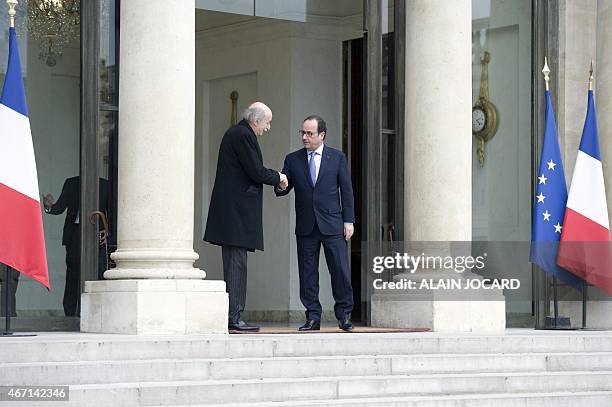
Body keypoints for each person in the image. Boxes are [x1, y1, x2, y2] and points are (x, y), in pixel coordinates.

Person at [204, 102, 288, 332]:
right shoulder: (243, 135)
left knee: (235, 264)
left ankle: (234, 315)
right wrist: (279, 177)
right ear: (256, 120)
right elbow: (255, 170)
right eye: (268, 122)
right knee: (236, 266)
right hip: (235, 214)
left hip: (233, 214)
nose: (268, 127)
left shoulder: (238, 133)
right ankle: (234, 317)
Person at [276, 115, 355, 331]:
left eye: (309, 133)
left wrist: (349, 221)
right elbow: (283, 188)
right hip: (306, 226)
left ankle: (344, 315)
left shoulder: (337, 158)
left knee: (340, 270)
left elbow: (346, 192)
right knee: (307, 273)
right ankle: (313, 317)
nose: (304, 137)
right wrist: (280, 184)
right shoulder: (293, 159)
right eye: (302, 132)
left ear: (322, 135)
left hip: (333, 224)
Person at [43, 176, 110, 316]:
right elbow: (60, 207)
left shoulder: (105, 185)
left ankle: (95, 312)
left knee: (97, 273)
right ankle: (70, 313)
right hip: (74, 234)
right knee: (73, 274)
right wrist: (49, 207)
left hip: (96, 234)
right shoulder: (71, 183)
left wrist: (109, 233)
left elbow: (112, 213)